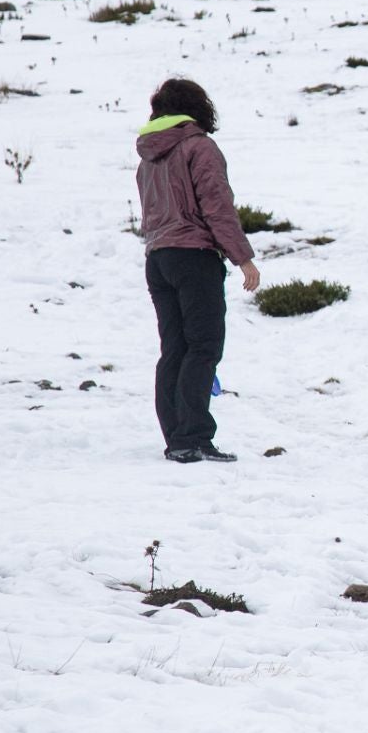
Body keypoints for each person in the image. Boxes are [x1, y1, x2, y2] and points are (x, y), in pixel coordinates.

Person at [135, 77, 260, 464]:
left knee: (174, 347)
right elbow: (216, 206)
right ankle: (193, 437)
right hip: (193, 257)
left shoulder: (149, 155)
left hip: (158, 259)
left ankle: (177, 436)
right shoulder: (198, 147)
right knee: (203, 346)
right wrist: (242, 257)